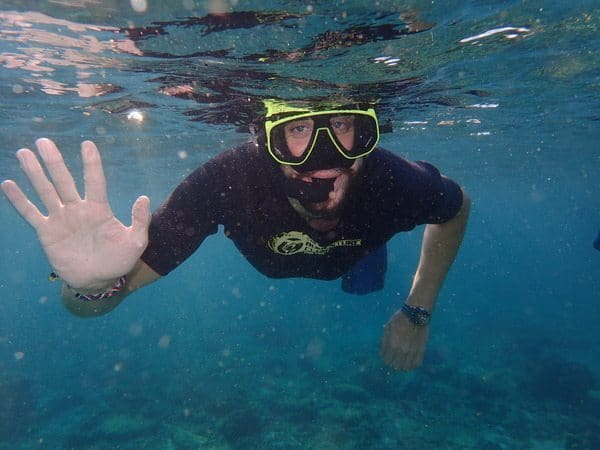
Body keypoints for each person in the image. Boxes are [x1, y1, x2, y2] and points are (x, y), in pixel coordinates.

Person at [1, 99, 470, 371]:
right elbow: (97, 304)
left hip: (357, 248)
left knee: (367, 269)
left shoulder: (391, 181)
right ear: (266, 140)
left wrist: (417, 310)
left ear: (367, 130)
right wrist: (87, 287)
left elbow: (456, 207)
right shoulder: (227, 182)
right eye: (299, 128)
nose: (325, 151)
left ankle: (370, 250)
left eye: (343, 125)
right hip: (314, 249)